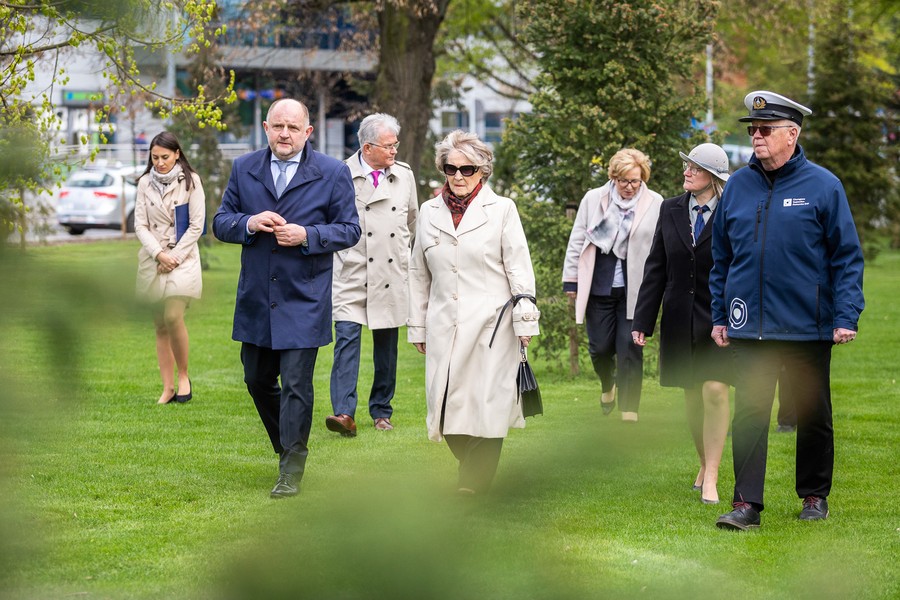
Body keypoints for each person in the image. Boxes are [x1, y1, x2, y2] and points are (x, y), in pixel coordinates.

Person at [710, 90, 864, 530]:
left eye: (765, 129)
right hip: (749, 324)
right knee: (750, 414)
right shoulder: (737, 186)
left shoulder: (824, 186)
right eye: (752, 130)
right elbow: (721, 256)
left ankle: (814, 496)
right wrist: (720, 314)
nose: (756, 136)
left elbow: (846, 257)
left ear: (792, 134)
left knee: (812, 413)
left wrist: (845, 314)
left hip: (806, 324)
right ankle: (746, 505)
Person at [213, 98, 361, 499]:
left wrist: (308, 235)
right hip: (257, 298)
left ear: (307, 132)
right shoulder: (244, 168)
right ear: (265, 128)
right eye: (278, 126)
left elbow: (350, 229)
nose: (285, 134)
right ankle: (288, 446)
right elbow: (221, 223)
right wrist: (248, 222)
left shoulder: (332, 173)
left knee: (296, 384)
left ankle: (291, 469)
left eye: (293, 128)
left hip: (304, 299)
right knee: (256, 379)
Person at [407, 130, 540, 495]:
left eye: (467, 169)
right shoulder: (429, 213)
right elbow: (418, 274)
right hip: (444, 325)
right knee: (446, 406)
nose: (458, 176)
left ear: (482, 170)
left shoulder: (503, 210)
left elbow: (519, 267)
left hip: (492, 326)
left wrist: (525, 320)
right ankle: (471, 467)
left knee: (488, 406)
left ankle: (473, 483)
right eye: (450, 168)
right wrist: (417, 326)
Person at [632, 143, 734, 504]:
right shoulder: (670, 208)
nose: (686, 172)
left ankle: (713, 476)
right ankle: (704, 463)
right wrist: (643, 319)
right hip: (679, 316)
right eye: (686, 166)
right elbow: (656, 265)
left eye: (695, 167)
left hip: (720, 318)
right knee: (693, 396)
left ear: (714, 177)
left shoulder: (731, 210)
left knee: (715, 390)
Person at [326, 113, 418, 436]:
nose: (394, 150)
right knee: (346, 340)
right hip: (351, 271)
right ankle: (343, 413)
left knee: (386, 348)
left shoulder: (405, 175)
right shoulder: (340, 174)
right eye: (388, 146)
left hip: (390, 271)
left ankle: (381, 411)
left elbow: (412, 221)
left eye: (395, 145)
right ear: (367, 148)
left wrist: (402, 256)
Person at [562, 148, 662, 422]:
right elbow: (578, 239)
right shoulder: (594, 199)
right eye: (623, 181)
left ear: (643, 179)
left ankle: (629, 410)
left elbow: (660, 245)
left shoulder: (655, 203)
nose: (629, 187)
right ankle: (608, 385)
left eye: (635, 181)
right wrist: (571, 280)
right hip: (599, 286)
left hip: (636, 289)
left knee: (630, 347)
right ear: (613, 178)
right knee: (600, 348)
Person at [134, 131, 205, 405]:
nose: (160, 162)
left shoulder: (191, 181)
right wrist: (158, 255)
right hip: (153, 259)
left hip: (182, 259)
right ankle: (167, 387)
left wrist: (172, 257)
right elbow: (140, 225)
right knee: (160, 324)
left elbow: (197, 226)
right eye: (155, 158)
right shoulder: (144, 183)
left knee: (173, 316)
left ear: (177, 154)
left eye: (165, 157)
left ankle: (184, 375)